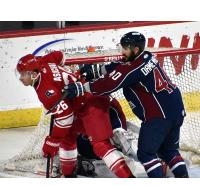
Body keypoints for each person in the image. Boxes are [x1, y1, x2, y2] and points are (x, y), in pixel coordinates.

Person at [64, 31, 189, 178]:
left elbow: (108, 84)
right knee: (169, 151)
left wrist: (80, 88)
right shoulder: (147, 56)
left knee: (146, 154)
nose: (122, 51)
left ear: (135, 49)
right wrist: (98, 70)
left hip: (159, 116)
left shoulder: (131, 69)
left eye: (125, 48)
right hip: (177, 110)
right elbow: (121, 65)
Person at [16, 51, 135, 178]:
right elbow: (58, 56)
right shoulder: (42, 62)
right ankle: (69, 176)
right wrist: (59, 79)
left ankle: (129, 178)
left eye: (23, 74)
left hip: (90, 101)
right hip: (79, 102)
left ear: (34, 74)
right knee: (67, 136)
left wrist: (52, 142)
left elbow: (66, 118)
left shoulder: (46, 91)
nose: (21, 78)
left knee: (100, 145)